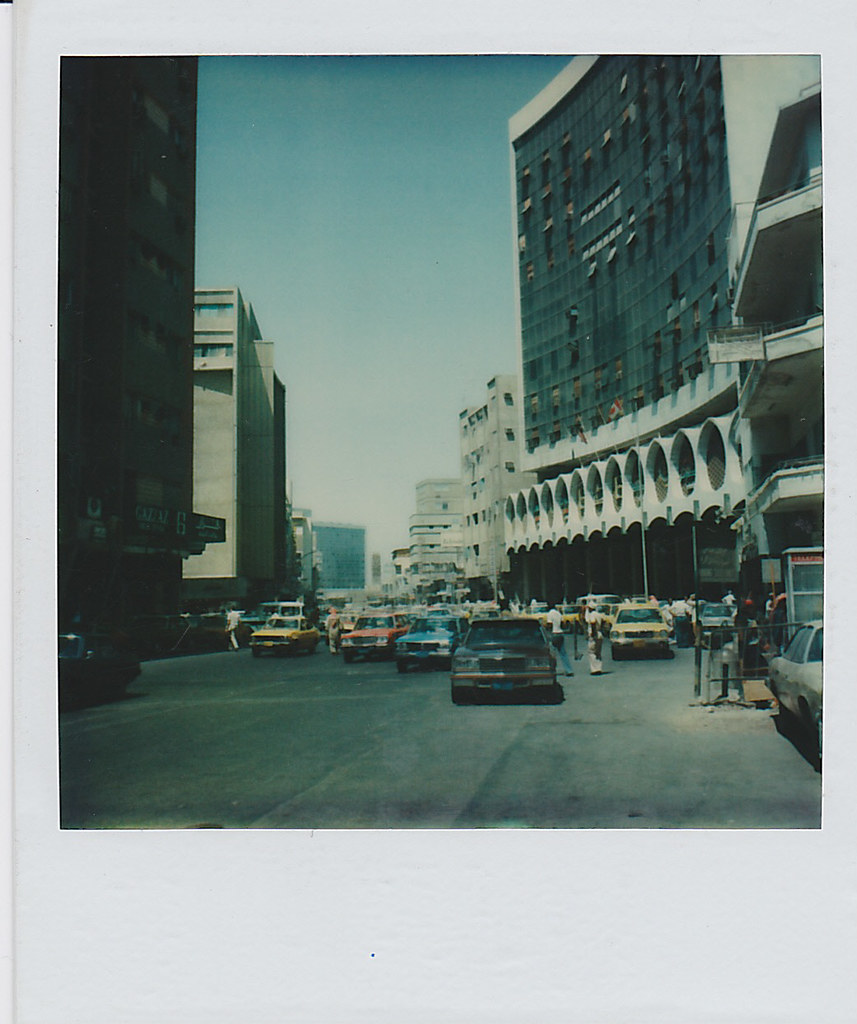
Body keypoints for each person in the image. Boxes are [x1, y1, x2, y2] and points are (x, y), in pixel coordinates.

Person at [546, 603, 574, 676]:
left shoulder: (550, 614)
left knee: (552, 654)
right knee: (563, 654)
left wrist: (547, 630)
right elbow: (562, 624)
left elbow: (549, 624)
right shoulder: (558, 613)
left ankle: (552, 670)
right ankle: (569, 670)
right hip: (560, 633)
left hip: (554, 634)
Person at [585, 599, 605, 675]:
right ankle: (599, 668)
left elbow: (593, 623)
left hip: (594, 635)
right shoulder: (599, 614)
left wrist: (593, 634)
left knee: (591, 652)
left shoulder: (592, 615)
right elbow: (603, 622)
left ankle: (594, 669)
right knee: (598, 653)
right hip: (599, 634)